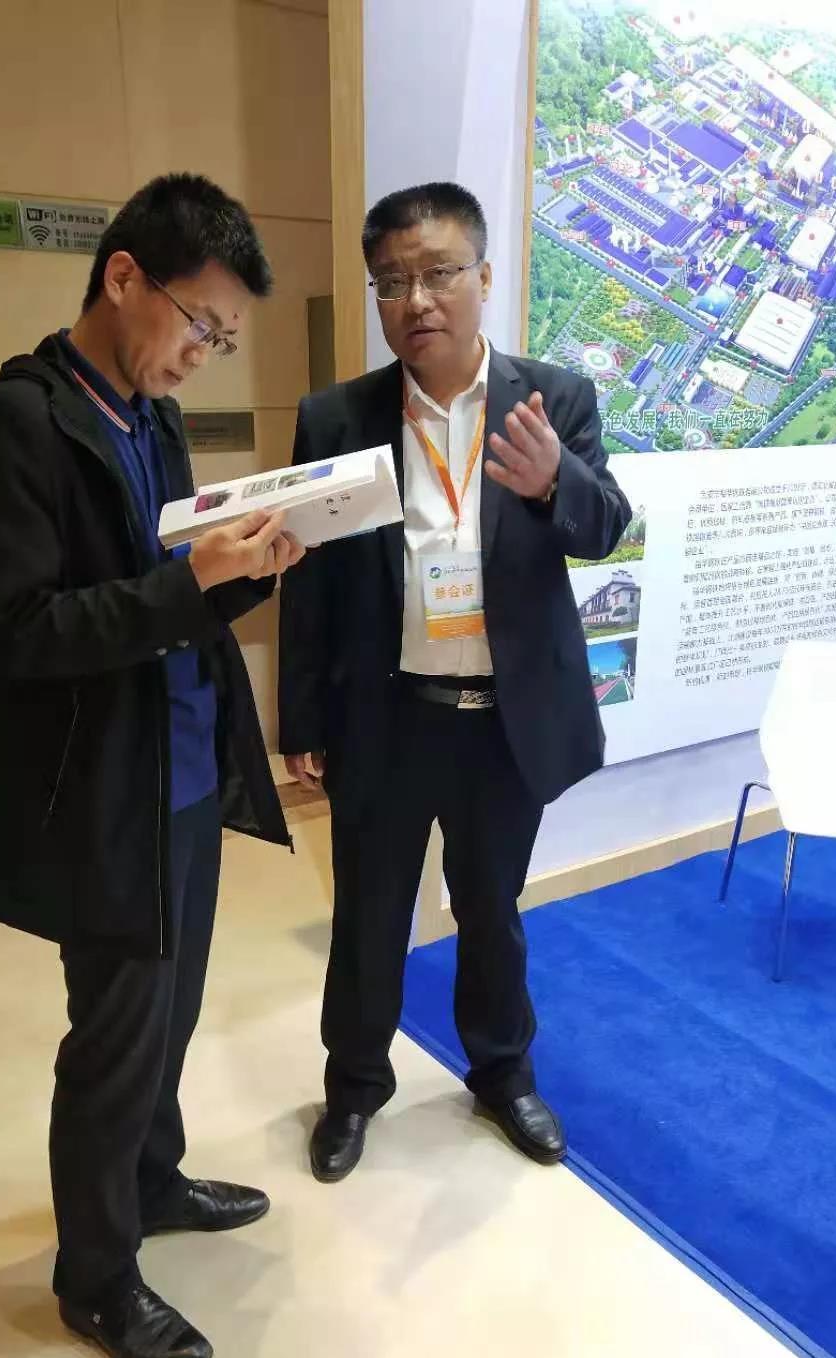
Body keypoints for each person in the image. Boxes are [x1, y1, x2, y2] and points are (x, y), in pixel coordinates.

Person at [0, 173, 304, 1358]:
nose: (202, 352)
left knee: (171, 1012)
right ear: (123, 277)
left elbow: (175, 592)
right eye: (199, 323)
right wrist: (189, 585)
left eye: (223, 338)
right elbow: (21, 632)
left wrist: (252, 569)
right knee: (113, 1039)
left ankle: (153, 1180)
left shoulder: (152, 419)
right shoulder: (17, 424)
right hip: (104, 793)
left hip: (185, 776)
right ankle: (96, 1278)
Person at [278, 182, 630, 1183]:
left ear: (483, 275)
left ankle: (503, 1075)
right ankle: (354, 1089)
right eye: (392, 282)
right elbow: (309, 578)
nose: (417, 300)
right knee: (368, 916)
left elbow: (607, 527)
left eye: (438, 273)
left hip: (504, 723)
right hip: (386, 716)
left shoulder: (553, 399)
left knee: (492, 907)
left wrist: (555, 482)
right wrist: (300, 716)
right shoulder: (336, 416)